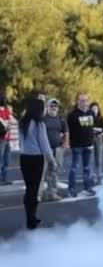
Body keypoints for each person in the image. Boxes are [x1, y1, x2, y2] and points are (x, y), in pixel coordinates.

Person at [19, 98, 55, 230]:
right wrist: (52, 160)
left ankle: (30, 217)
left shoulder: (22, 122)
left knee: (29, 189)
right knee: (34, 191)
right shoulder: (40, 124)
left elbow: (20, 142)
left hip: (24, 158)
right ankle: (31, 219)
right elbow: (44, 144)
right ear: (39, 109)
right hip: (36, 158)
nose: (45, 110)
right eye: (44, 107)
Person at [67, 93, 96, 197]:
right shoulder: (72, 115)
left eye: (86, 100)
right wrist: (68, 142)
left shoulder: (91, 113)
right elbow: (68, 130)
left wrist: (92, 141)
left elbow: (91, 128)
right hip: (77, 145)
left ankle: (88, 187)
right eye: (82, 100)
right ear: (77, 102)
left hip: (89, 144)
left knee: (87, 168)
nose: (84, 103)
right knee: (74, 167)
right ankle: (71, 189)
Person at [40, 99, 68, 201]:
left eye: (55, 106)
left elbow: (66, 132)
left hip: (58, 149)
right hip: (45, 149)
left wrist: (65, 143)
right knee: (43, 172)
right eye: (51, 106)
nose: (53, 108)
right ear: (47, 107)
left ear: (58, 108)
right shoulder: (43, 119)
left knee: (55, 171)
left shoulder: (60, 119)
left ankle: (52, 193)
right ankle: (39, 194)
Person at [0, 94, 15, 185]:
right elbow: (7, 122)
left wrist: (6, 122)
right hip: (1, 138)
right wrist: (6, 122)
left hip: (7, 138)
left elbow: (13, 121)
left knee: (6, 160)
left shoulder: (6, 111)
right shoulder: (3, 112)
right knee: (1, 159)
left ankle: (4, 178)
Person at [90, 102, 103, 180]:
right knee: (91, 158)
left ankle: (99, 174)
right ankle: (92, 176)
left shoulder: (100, 118)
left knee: (98, 158)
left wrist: (96, 129)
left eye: (95, 109)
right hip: (91, 138)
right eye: (92, 109)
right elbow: (89, 128)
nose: (94, 110)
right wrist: (97, 129)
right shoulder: (89, 118)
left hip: (99, 138)